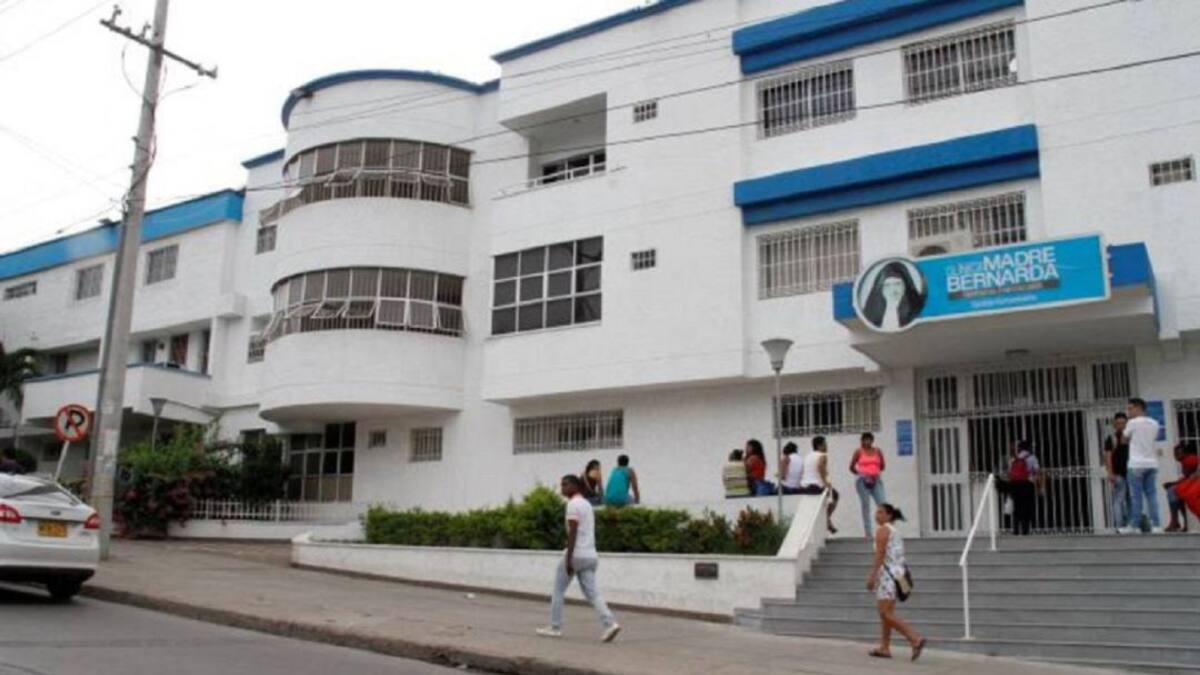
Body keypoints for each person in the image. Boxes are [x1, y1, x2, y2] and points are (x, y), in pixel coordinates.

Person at [537, 475, 621, 642]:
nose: (562, 488)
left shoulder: (573, 505)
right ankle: (610, 623)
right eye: (561, 485)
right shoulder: (587, 504)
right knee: (593, 593)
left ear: (575, 486)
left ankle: (555, 627)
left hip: (576, 555)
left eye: (565, 485)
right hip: (591, 556)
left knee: (558, 590)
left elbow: (573, 532)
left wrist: (569, 559)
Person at [866, 503, 925, 661]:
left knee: (885, 613)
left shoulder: (882, 530)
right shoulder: (895, 531)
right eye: (876, 512)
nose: (877, 515)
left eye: (880, 512)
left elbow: (880, 554)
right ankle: (884, 648)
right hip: (899, 575)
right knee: (887, 613)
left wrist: (872, 576)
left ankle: (915, 638)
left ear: (889, 515)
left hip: (888, 576)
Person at [1121, 397, 1163, 534]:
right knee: (1152, 495)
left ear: (1139, 408)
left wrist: (1131, 439)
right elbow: (1153, 439)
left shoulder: (1132, 423)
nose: (1128, 412)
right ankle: (1156, 525)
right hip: (1152, 463)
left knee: (1136, 496)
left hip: (1136, 464)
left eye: (1130, 408)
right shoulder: (1155, 423)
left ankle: (1135, 525)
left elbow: (1123, 440)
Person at [860, 260, 926, 331]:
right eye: (887, 285)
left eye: (897, 284)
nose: (893, 290)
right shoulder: (871, 313)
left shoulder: (916, 309)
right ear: (880, 288)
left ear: (905, 286)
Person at [794, 436, 840, 534]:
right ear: (819, 446)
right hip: (816, 486)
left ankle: (827, 520)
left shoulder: (808, 456)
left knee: (828, 499)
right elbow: (820, 466)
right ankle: (827, 519)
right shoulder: (823, 455)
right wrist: (825, 483)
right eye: (825, 444)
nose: (827, 446)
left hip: (805, 485)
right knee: (835, 496)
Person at [995, 440, 1039, 536]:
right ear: (1029, 447)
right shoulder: (1032, 457)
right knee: (1027, 507)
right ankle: (1025, 530)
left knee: (1017, 507)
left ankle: (1016, 530)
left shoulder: (1015, 457)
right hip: (1027, 485)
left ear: (1020, 448)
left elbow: (1009, 471)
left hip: (1015, 485)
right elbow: (1036, 470)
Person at [849, 433, 887, 538]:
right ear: (861, 441)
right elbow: (851, 467)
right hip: (862, 481)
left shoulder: (878, 451)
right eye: (864, 440)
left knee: (882, 503)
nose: (866, 442)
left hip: (876, 479)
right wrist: (861, 474)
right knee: (866, 505)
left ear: (872, 441)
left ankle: (885, 529)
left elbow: (882, 466)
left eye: (868, 440)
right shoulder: (858, 451)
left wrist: (874, 472)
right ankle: (868, 533)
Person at [1103, 413, 1131, 530]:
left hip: (1132, 474)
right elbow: (1108, 457)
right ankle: (1120, 527)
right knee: (1119, 500)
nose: (1121, 426)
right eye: (1118, 423)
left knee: (1131, 500)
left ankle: (1131, 526)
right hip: (1118, 475)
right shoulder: (1111, 439)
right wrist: (1110, 473)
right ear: (1114, 425)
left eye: (1123, 423)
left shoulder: (1131, 438)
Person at [1165, 442, 1198, 532]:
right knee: (1177, 495)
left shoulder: (1190, 460)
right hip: (1192, 485)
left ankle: (1175, 521)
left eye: (1178, 453)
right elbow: (1188, 478)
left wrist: (1173, 484)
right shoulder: (1185, 461)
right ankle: (1181, 522)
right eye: (1175, 454)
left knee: (1172, 491)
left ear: (1185, 453)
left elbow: (1189, 478)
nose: (1176, 456)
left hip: (1195, 486)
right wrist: (1174, 483)